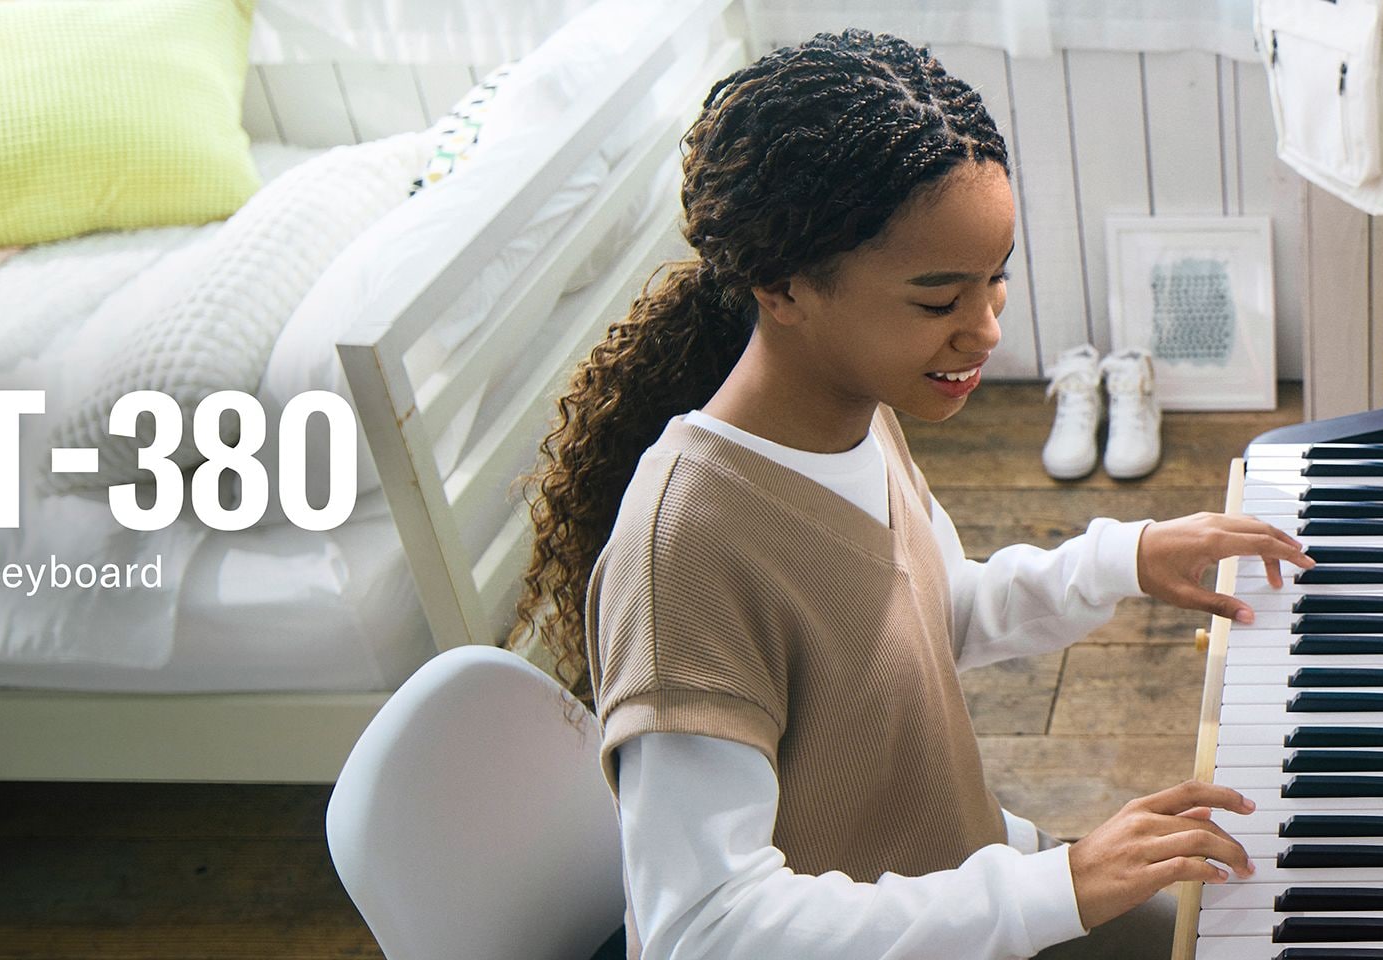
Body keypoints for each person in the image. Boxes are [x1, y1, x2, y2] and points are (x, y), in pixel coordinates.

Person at [515, 29, 1316, 958]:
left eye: (997, 280)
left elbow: (929, 616)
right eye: (939, 303)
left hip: (962, 878)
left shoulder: (858, 406)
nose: (984, 332)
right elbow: (703, 929)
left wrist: (1122, 560)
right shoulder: (684, 550)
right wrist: (1056, 886)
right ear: (784, 286)